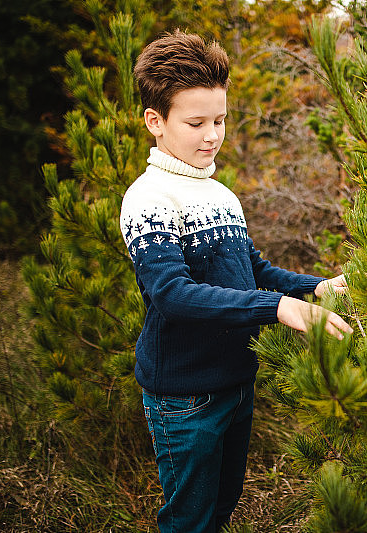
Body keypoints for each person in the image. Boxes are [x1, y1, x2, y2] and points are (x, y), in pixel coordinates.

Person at [120, 29, 353, 533]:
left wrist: (319, 288)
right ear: (155, 121)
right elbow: (173, 295)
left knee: (221, 512)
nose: (212, 135)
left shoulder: (219, 193)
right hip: (185, 398)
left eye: (221, 120)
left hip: (236, 384)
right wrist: (277, 309)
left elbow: (255, 273)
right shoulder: (149, 198)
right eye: (196, 122)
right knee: (190, 521)